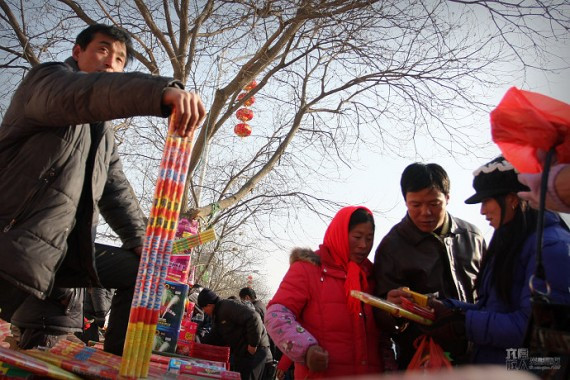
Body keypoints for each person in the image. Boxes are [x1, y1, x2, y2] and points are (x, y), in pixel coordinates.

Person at [0, 23, 206, 355]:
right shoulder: (46, 83)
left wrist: (141, 242)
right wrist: (160, 93)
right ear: (77, 52)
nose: (111, 60)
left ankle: (115, 364)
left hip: (59, 254)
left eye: (121, 58)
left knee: (143, 269)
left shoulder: (103, 136)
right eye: (103, 49)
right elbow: (86, 93)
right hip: (12, 239)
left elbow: (116, 192)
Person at [424, 156, 570, 366]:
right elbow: (492, 312)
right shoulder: (511, 243)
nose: (482, 211)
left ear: (512, 198)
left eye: (486, 201)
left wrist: (463, 324)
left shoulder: (551, 247)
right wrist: (443, 308)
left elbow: (537, 333)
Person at [373, 162, 485, 368]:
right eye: (416, 205)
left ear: (447, 198)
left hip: (478, 353)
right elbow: (380, 315)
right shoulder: (392, 247)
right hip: (424, 359)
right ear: (406, 202)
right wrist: (391, 310)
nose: (426, 212)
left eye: (434, 204)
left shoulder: (473, 236)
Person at [265, 206, 395, 378]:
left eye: (369, 239)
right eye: (357, 237)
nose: (364, 245)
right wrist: (306, 349)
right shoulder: (307, 269)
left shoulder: (371, 276)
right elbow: (276, 315)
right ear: (340, 233)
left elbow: (381, 335)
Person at [198, 288, 272, 380]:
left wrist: (253, 344)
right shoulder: (217, 315)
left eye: (204, 308)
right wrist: (198, 342)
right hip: (241, 352)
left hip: (255, 350)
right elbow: (216, 336)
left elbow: (254, 317)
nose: (204, 312)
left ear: (209, 305)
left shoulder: (227, 306)